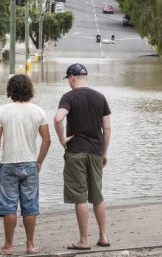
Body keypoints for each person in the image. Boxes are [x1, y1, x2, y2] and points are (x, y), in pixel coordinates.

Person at [0, 74, 51, 255]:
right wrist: (39, 161)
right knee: (30, 205)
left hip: (8, 164)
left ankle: (8, 246)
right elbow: (47, 140)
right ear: (29, 90)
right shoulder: (38, 111)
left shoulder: (2, 111)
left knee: (9, 206)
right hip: (30, 164)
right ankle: (30, 245)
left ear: (10, 90)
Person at [54, 63, 111, 250]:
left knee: (80, 197)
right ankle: (103, 237)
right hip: (95, 152)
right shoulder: (100, 97)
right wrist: (104, 151)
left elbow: (58, 118)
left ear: (72, 77)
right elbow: (107, 127)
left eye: (68, 80)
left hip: (76, 151)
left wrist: (62, 139)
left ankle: (84, 240)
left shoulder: (68, 97)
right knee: (97, 197)